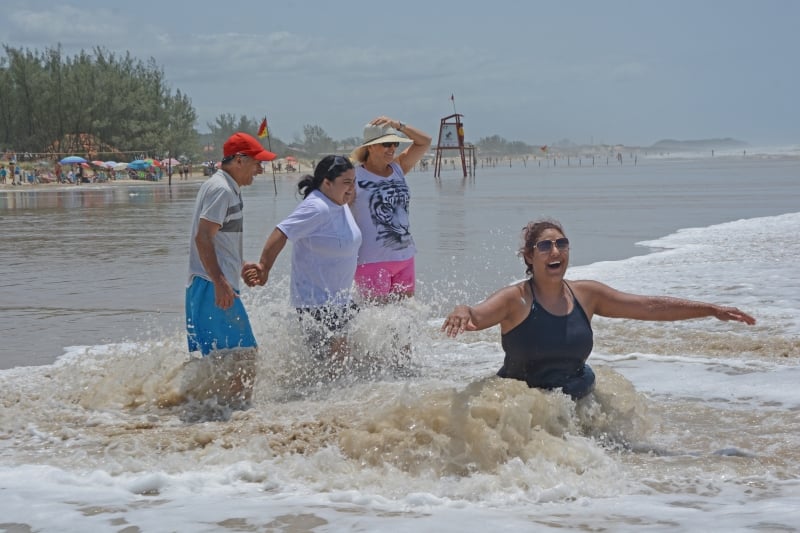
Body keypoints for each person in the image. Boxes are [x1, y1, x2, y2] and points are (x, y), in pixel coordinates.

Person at [441, 219, 756, 400]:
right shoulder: (516, 299)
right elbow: (476, 314)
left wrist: (711, 309)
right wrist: (461, 309)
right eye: (545, 246)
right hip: (525, 405)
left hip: (575, 398)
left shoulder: (587, 295)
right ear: (529, 256)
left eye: (562, 244)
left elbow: (649, 307)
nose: (555, 251)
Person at [184, 132, 276, 410]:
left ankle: (212, 412)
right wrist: (220, 280)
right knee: (245, 357)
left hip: (210, 283)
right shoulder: (221, 189)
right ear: (239, 160)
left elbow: (218, 240)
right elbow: (203, 238)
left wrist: (240, 264)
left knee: (223, 360)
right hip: (210, 285)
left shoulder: (224, 186)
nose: (261, 169)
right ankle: (235, 416)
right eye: (257, 162)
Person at [242, 155, 361, 360]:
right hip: (317, 305)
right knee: (335, 367)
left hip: (340, 301)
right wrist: (264, 266)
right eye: (346, 183)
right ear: (327, 182)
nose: (351, 188)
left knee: (343, 364)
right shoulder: (317, 207)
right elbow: (282, 231)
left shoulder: (338, 203)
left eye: (354, 182)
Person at [349, 116, 431, 303]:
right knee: (376, 322)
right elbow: (338, 213)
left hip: (405, 257)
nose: (392, 149)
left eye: (394, 143)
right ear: (370, 147)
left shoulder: (398, 167)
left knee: (404, 318)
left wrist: (398, 125)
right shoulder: (353, 177)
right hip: (370, 260)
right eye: (386, 144)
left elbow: (424, 141)